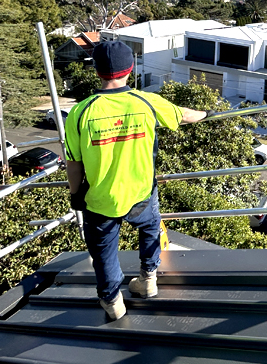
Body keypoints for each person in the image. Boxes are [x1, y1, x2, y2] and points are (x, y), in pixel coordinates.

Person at [64, 41, 210, 320]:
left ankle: (112, 301)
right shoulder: (146, 101)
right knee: (150, 229)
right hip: (142, 192)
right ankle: (148, 280)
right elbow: (183, 115)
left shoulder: (80, 112)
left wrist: (75, 194)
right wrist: (207, 114)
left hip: (101, 198)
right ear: (130, 69)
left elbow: (74, 163)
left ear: (96, 70)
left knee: (103, 250)